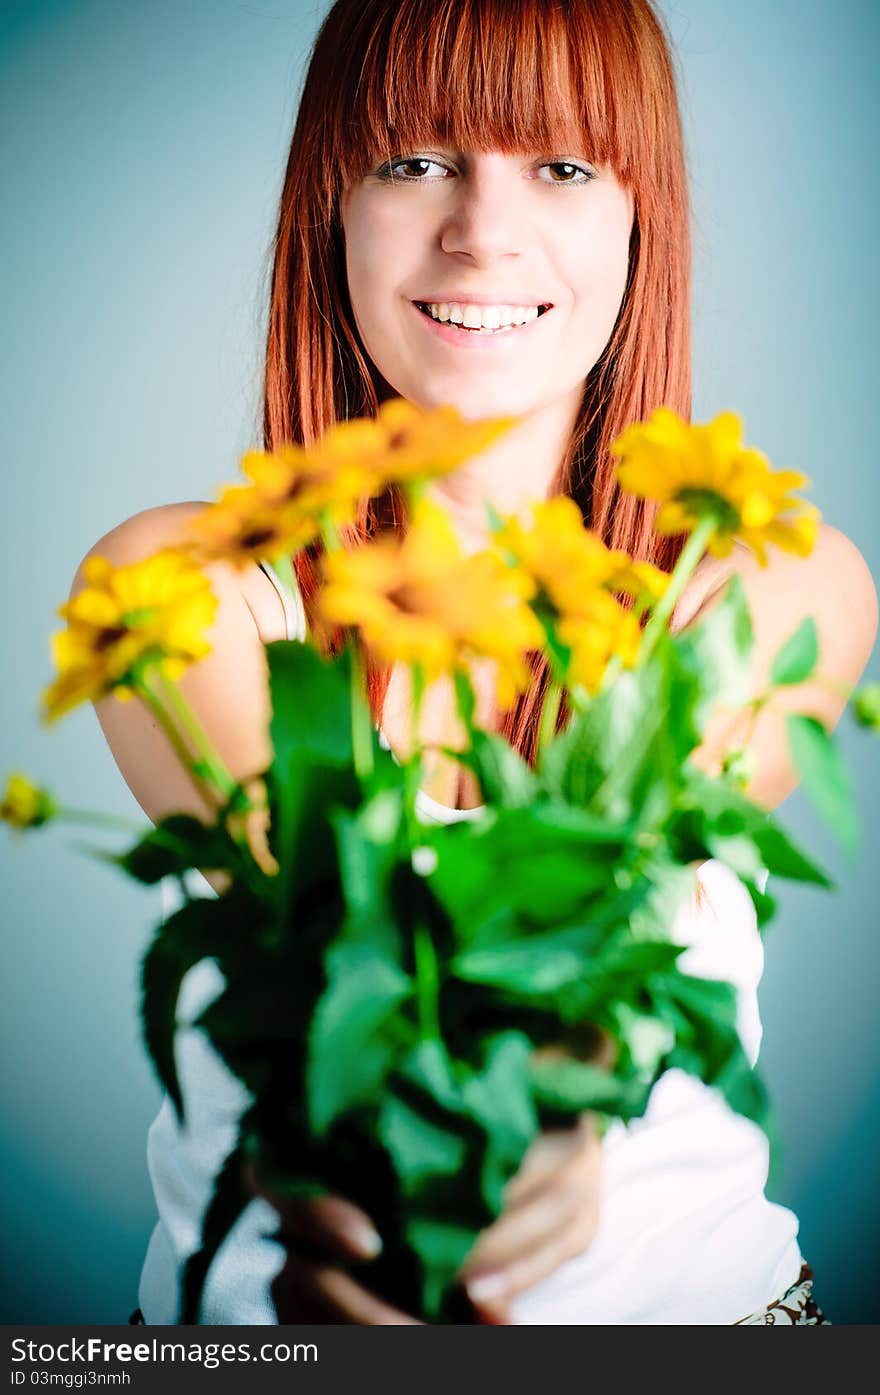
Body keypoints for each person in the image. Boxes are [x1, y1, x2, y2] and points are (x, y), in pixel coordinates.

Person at [73, 0, 877, 1324]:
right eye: (414, 160)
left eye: (559, 165)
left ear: (641, 214)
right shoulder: (181, 593)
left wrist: (560, 1105)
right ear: (330, 203)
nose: (481, 230)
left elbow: (609, 914)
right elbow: (346, 953)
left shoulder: (768, 580)